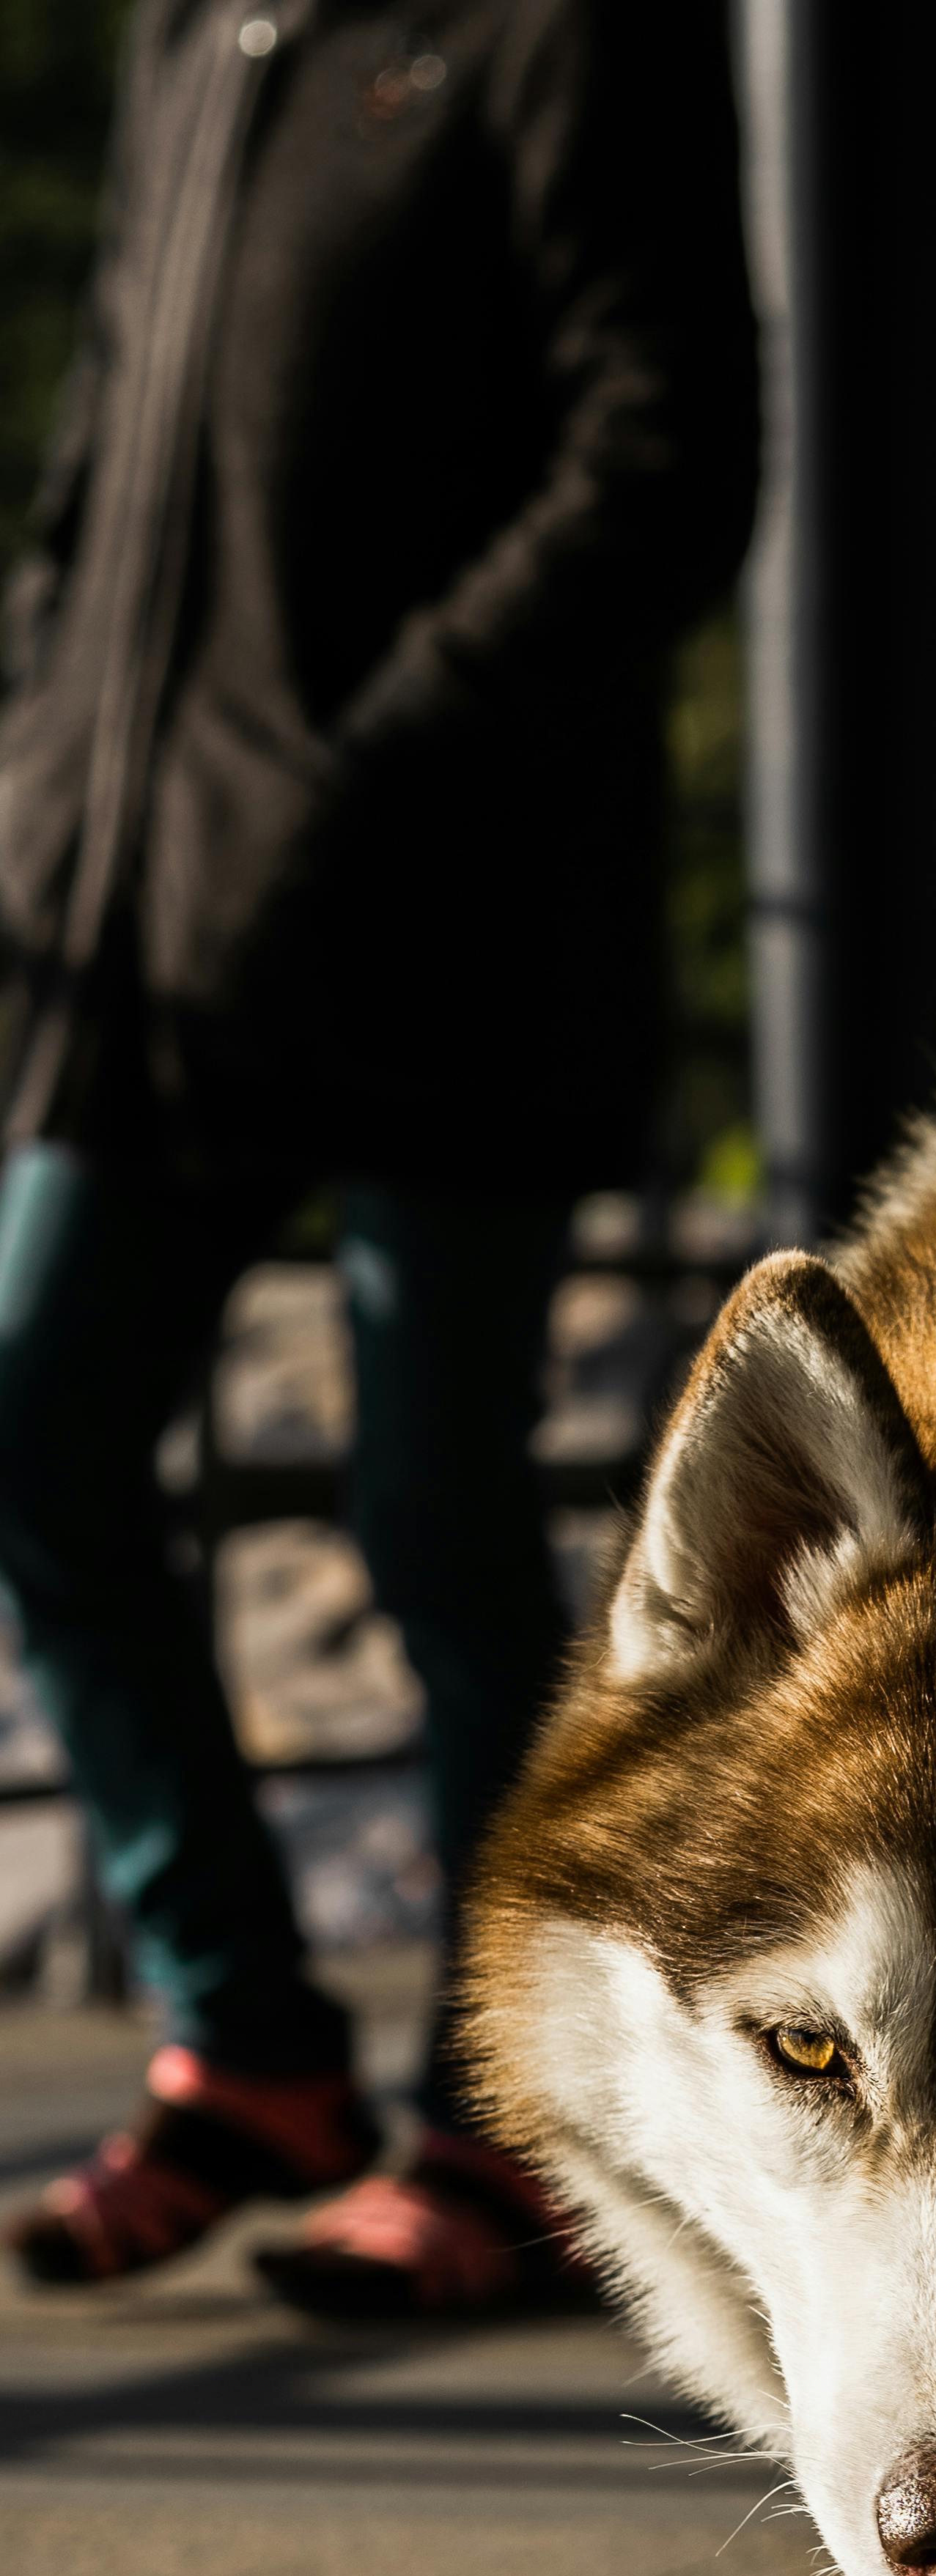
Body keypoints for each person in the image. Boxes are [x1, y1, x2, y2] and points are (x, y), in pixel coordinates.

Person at [0, 0, 757, 2313]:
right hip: (147, 923)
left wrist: (383, 772)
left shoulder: (557, 39)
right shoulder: (201, 37)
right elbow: (111, 446)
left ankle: (505, 2124)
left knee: (438, 1524)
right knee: (33, 1426)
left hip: (446, 936)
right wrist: (40, 744)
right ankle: (248, 2050)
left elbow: (672, 453)